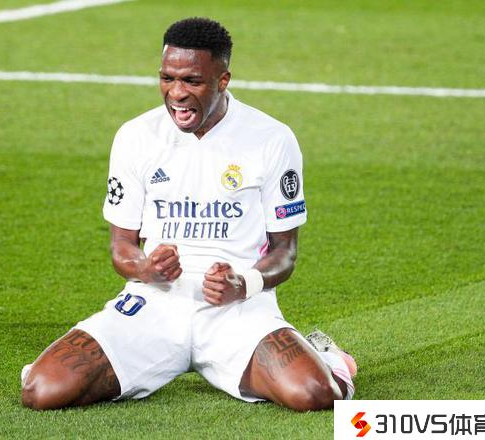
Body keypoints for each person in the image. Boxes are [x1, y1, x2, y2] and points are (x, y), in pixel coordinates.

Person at [21, 17, 356, 411]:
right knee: (42, 390)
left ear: (223, 80)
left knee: (316, 394)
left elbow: (286, 252)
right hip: (155, 304)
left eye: (192, 81)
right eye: (167, 78)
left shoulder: (271, 139)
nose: (176, 93)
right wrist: (146, 268)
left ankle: (330, 358)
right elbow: (121, 248)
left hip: (237, 310)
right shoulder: (136, 137)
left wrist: (243, 283)